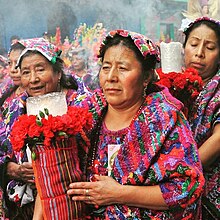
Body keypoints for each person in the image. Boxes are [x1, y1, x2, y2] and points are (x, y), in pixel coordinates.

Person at [67, 30, 205, 219]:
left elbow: (186, 188)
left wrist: (118, 193)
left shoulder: (164, 120)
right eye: (106, 67)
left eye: (123, 68)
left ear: (147, 77)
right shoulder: (86, 115)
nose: (111, 77)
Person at [0, 38, 88, 219]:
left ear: (58, 73)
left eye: (40, 69)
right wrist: (13, 169)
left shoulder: (81, 105)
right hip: (24, 208)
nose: (33, 79)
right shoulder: (13, 108)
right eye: (26, 72)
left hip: (72, 205)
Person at [183, 17, 220, 220]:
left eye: (210, 47)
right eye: (194, 44)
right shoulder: (171, 84)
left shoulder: (217, 88)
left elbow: (219, 138)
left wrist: (183, 172)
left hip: (209, 194)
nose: (199, 53)